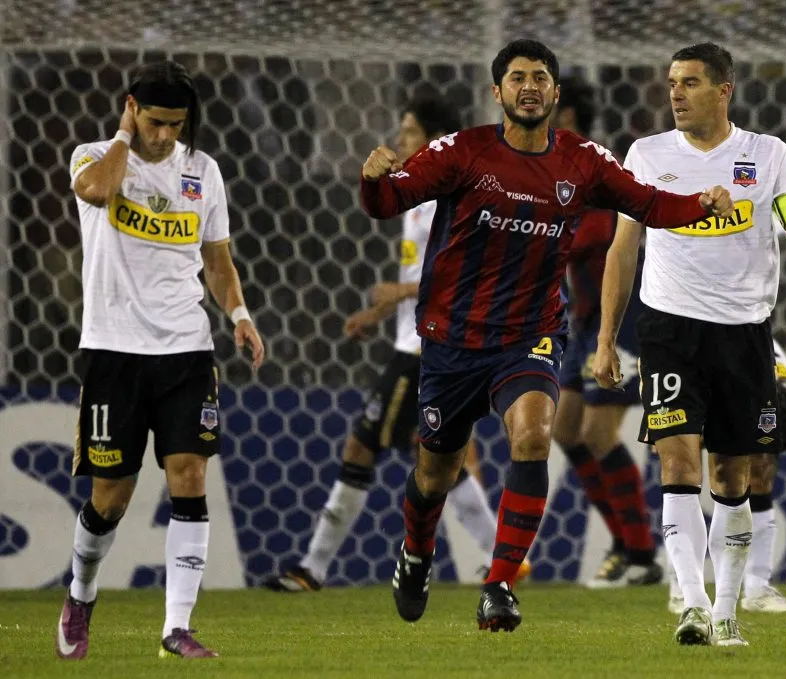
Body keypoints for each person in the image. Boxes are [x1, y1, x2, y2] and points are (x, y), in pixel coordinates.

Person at [360, 38, 734, 633]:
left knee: (534, 436)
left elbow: (646, 203)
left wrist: (699, 205)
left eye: (539, 77)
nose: (529, 87)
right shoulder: (462, 151)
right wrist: (374, 178)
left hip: (530, 333)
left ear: (555, 93)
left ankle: (500, 585)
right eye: (517, 78)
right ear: (497, 91)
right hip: (454, 339)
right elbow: (388, 201)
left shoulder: (583, 160)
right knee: (434, 474)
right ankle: (416, 550)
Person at [593, 43, 786, 646]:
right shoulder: (646, 155)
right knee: (677, 463)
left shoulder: (769, 155)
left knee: (733, 476)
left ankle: (728, 612)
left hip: (744, 333)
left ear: (724, 89)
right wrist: (605, 338)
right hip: (668, 330)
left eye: (690, 82)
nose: (675, 94)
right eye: (671, 83)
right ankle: (693, 605)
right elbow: (623, 249)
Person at [263, 94, 525, 592]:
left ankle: (313, 568)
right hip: (415, 339)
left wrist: (398, 293)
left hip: (425, 347)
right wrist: (379, 311)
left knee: (363, 447)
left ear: (434, 139)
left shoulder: (454, 193)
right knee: (432, 455)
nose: (400, 139)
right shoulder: (416, 195)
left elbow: (467, 274)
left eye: (409, 131)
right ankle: (503, 557)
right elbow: (424, 274)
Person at [57, 60, 265, 660]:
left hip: (186, 348)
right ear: (131, 109)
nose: (167, 134)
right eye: (155, 121)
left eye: (177, 124)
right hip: (114, 350)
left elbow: (218, 262)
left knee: (190, 476)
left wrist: (239, 314)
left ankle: (177, 627)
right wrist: (126, 137)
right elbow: (98, 192)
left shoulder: (204, 171)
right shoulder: (94, 157)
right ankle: (81, 593)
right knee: (111, 498)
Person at [551, 76, 660, 588]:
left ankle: (642, 554)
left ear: (567, 114)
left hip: (621, 313)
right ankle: (625, 542)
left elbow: (608, 234)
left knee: (597, 433)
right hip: (583, 317)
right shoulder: (548, 168)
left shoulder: (596, 167)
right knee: (564, 431)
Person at [667, 340, 786, 614]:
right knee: (684, 473)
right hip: (699, 374)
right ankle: (681, 588)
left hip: (745, 375)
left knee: (760, 474)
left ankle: (757, 588)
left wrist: (764, 449)